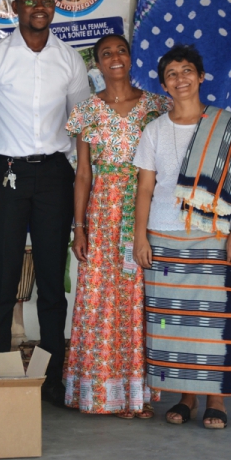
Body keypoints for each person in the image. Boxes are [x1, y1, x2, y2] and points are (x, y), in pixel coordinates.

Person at [0, 0, 90, 405]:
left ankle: (52, 379)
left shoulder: (69, 60)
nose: (39, 7)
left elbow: (81, 126)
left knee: (53, 286)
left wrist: (70, 172)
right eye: (30, 1)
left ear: (55, 6)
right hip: (6, 175)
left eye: (46, 1)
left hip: (55, 176)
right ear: (15, 6)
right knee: (2, 283)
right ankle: (0, 376)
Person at [132, 44, 231, 429]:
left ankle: (216, 399)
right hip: (164, 236)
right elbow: (145, 188)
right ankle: (185, 398)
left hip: (214, 237)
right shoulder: (154, 130)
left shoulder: (228, 126)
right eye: (171, 74)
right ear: (163, 84)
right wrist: (140, 238)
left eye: (187, 71)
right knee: (173, 322)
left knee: (214, 319)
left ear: (201, 77)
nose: (180, 79)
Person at [65, 35, 170, 416]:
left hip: (143, 209)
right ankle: (96, 391)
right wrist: (79, 227)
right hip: (102, 211)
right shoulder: (87, 111)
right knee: (98, 299)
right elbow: (83, 174)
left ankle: (138, 395)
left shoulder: (158, 107)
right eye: (105, 53)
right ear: (96, 62)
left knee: (138, 299)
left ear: (131, 56)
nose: (114, 58)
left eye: (120, 51)